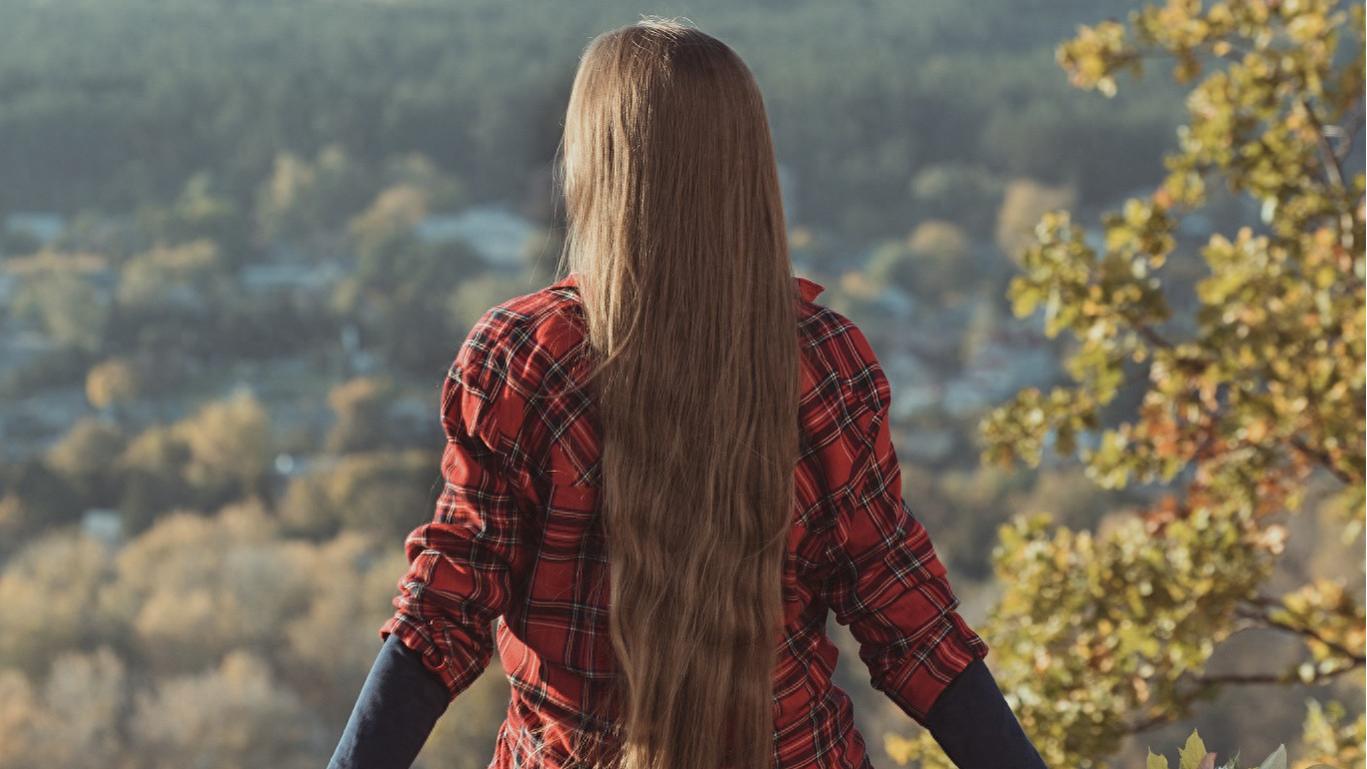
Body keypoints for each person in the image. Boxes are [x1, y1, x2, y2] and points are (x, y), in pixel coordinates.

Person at [327, 16, 1048, 769]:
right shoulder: (823, 362)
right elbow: (910, 623)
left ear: (597, 166)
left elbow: (443, 614)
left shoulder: (521, 361)